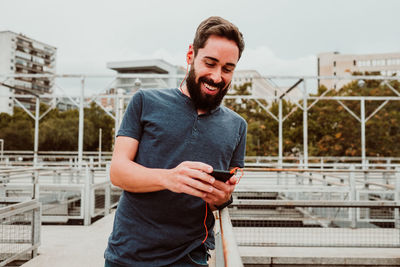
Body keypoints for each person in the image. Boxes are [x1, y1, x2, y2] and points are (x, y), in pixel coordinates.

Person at [104, 16, 247, 267]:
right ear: (191, 55)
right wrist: (170, 178)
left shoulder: (237, 126)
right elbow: (118, 172)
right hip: (127, 254)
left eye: (227, 68)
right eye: (210, 63)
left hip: (190, 257)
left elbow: (223, 196)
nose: (216, 76)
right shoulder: (144, 102)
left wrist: (223, 197)